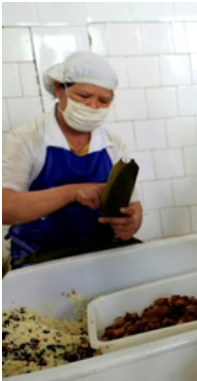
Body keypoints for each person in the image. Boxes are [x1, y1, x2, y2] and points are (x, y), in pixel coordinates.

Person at [2, 51, 143, 269]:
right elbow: (5, 208)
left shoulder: (113, 144)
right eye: (84, 96)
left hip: (100, 254)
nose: (93, 107)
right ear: (60, 89)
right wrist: (73, 192)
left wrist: (132, 223)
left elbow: (132, 204)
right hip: (39, 258)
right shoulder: (26, 139)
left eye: (103, 100)